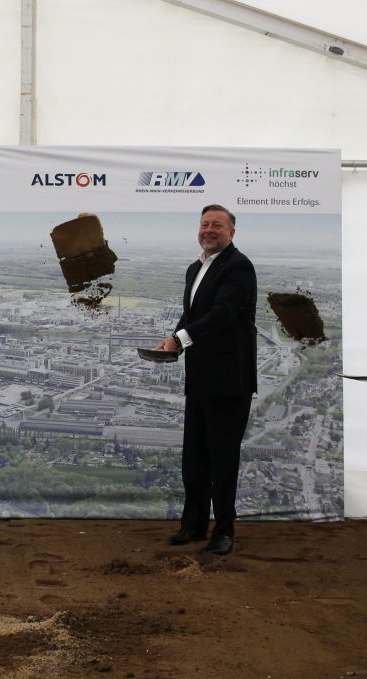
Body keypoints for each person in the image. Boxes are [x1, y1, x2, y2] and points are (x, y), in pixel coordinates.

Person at [154, 204, 258, 555]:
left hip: (230, 381)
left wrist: (180, 339)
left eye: (217, 225)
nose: (209, 230)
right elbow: (192, 314)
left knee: (223, 459)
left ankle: (224, 530)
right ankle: (193, 525)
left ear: (232, 232)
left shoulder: (239, 266)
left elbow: (223, 314)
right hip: (199, 377)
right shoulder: (195, 268)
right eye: (204, 224)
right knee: (194, 458)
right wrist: (173, 342)